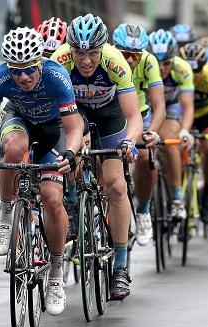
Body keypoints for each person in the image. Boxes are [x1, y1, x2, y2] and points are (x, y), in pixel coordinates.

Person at [0, 27, 84, 315]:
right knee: (13, 151)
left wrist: (70, 152)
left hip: (53, 129)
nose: (23, 77)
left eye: (30, 69)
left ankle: (56, 271)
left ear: (40, 62)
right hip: (19, 119)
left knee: (52, 198)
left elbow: (74, 127)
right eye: (16, 70)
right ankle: (6, 217)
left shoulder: (56, 76)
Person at [51, 14, 143, 300]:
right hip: (73, 112)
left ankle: (120, 265)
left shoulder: (115, 62)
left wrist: (129, 142)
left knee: (116, 186)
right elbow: (54, 110)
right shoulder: (60, 60)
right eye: (79, 52)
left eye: (93, 53)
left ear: (102, 49)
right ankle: (73, 204)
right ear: (71, 49)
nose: (86, 60)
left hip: (109, 114)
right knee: (70, 157)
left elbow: (133, 116)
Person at [112, 23, 166, 246]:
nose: (131, 60)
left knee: (146, 157)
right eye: (126, 54)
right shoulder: (107, 59)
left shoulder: (149, 61)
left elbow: (159, 104)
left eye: (136, 54)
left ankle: (143, 211)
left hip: (140, 116)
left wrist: (153, 130)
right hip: (112, 116)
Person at [147, 29, 195, 222]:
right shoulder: (143, 66)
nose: (162, 67)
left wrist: (184, 130)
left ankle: (176, 198)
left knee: (170, 140)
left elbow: (188, 106)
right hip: (148, 106)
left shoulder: (182, 69)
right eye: (157, 62)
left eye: (167, 62)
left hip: (172, 106)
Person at [179, 42, 208, 224]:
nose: (192, 76)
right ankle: (175, 196)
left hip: (205, 116)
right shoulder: (176, 75)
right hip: (183, 116)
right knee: (174, 152)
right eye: (189, 71)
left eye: (196, 71)